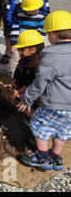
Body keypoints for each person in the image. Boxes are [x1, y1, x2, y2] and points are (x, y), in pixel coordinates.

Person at [17, 11, 71, 171]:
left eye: (47, 33)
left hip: (55, 102)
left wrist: (27, 99)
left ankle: (42, 156)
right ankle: (55, 157)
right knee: (63, 130)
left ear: (53, 35)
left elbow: (41, 81)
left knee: (39, 124)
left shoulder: (51, 53)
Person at [8, 0, 49, 77]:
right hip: (21, 44)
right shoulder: (19, 15)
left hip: (34, 45)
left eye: (36, 8)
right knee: (15, 57)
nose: (34, 11)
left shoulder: (41, 18)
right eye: (30, 9)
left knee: (34, 62)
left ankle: (32, 77)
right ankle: (13, 75)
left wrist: (37, 46)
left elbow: (42, 32)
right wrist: (14, 43)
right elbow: (15, 29)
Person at [11, 30, 44, 102]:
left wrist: (19, 92)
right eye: (18, 49)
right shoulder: (25, 59)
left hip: (36, 95)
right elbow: (18, 73)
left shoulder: (38, 64)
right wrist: (12, 85)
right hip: (24, 87)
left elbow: (34, 83)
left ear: (33, 50)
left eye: (22, 50)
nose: (19, 52)